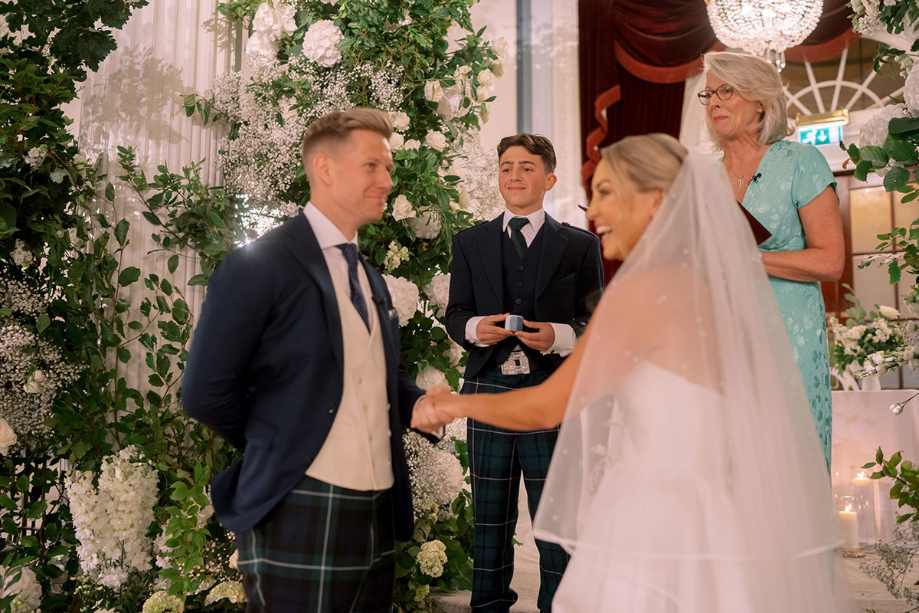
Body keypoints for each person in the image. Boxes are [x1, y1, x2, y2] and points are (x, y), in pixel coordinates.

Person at [416, 134, 853, 612]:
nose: (594, 210)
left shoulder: (643, 294)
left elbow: (547, 405)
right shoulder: (719, 291)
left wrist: (452, 404)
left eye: (606, 192)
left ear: (654, 200)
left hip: (652, 515)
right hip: (718, 516)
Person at [182, 108, 442, 612]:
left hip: (379, 509)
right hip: (298, 506)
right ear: (324, 169)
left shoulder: (370, 276)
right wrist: (284, 443)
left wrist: (416, 404)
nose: (387, 180)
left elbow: (378, 373)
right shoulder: (259, 265)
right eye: (373, 166)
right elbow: (204, 391)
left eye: (388, 168)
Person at [444, 134, 603, 613]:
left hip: (550, 390)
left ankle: (560, 604)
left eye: (527, 167)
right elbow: (456, 314)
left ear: (549, 178)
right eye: (506, 166)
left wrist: (558, 335)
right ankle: (488, 604)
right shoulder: (469, 242)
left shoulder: (579, 244)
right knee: (490, 514)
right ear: (498, 176)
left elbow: (594, 321)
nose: (514, 175)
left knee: (554, 511)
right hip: (487, 389)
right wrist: (476, 328)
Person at [699, 51, 844, 470]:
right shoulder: (704, 177)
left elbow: (831, 261)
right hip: (719, 342)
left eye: (727, 90)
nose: (714, 102)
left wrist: (750, 260)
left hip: (788, 338)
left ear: (761, 100)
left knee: (788, 464)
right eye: (709, 93)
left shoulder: (801, 162)